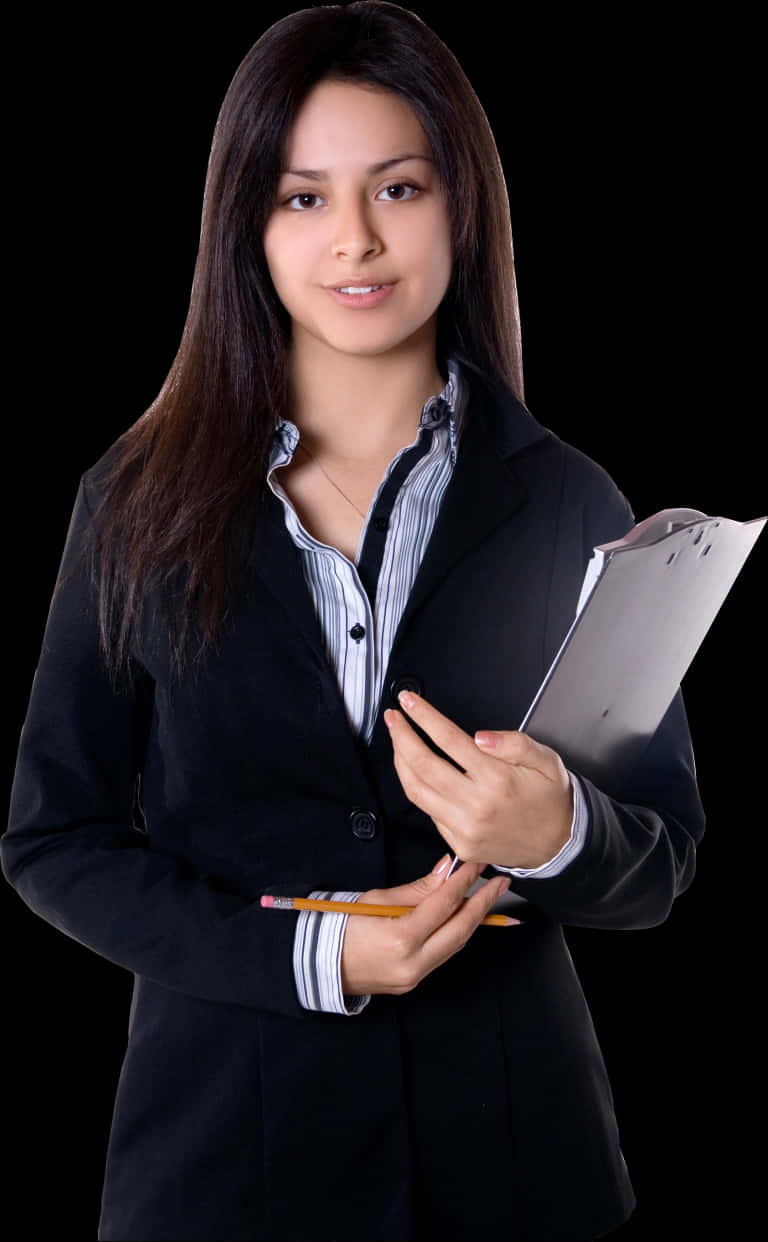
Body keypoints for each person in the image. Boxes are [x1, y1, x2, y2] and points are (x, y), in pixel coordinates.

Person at [1, 4, 706, 1240]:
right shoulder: (134, 502)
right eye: (304, 198)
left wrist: (556, 832)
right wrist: (313, 962)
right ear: (246, 230)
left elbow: (661, 857)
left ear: (461, 203)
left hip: (517, 1173)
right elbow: (54, 842)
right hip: (223, 1167)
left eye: (398, 186)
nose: (358, 240)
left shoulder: (570, 503)